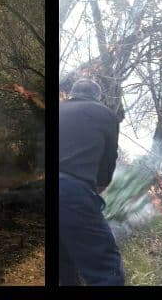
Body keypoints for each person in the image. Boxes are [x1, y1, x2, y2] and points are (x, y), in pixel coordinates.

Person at [59, 79, 124, 286]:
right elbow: (107, 165)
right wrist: (94, 193)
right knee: (106, 269)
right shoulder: (105, 115)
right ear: (98, 96)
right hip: (72, 192)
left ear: (72, 93)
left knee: (63, 267)